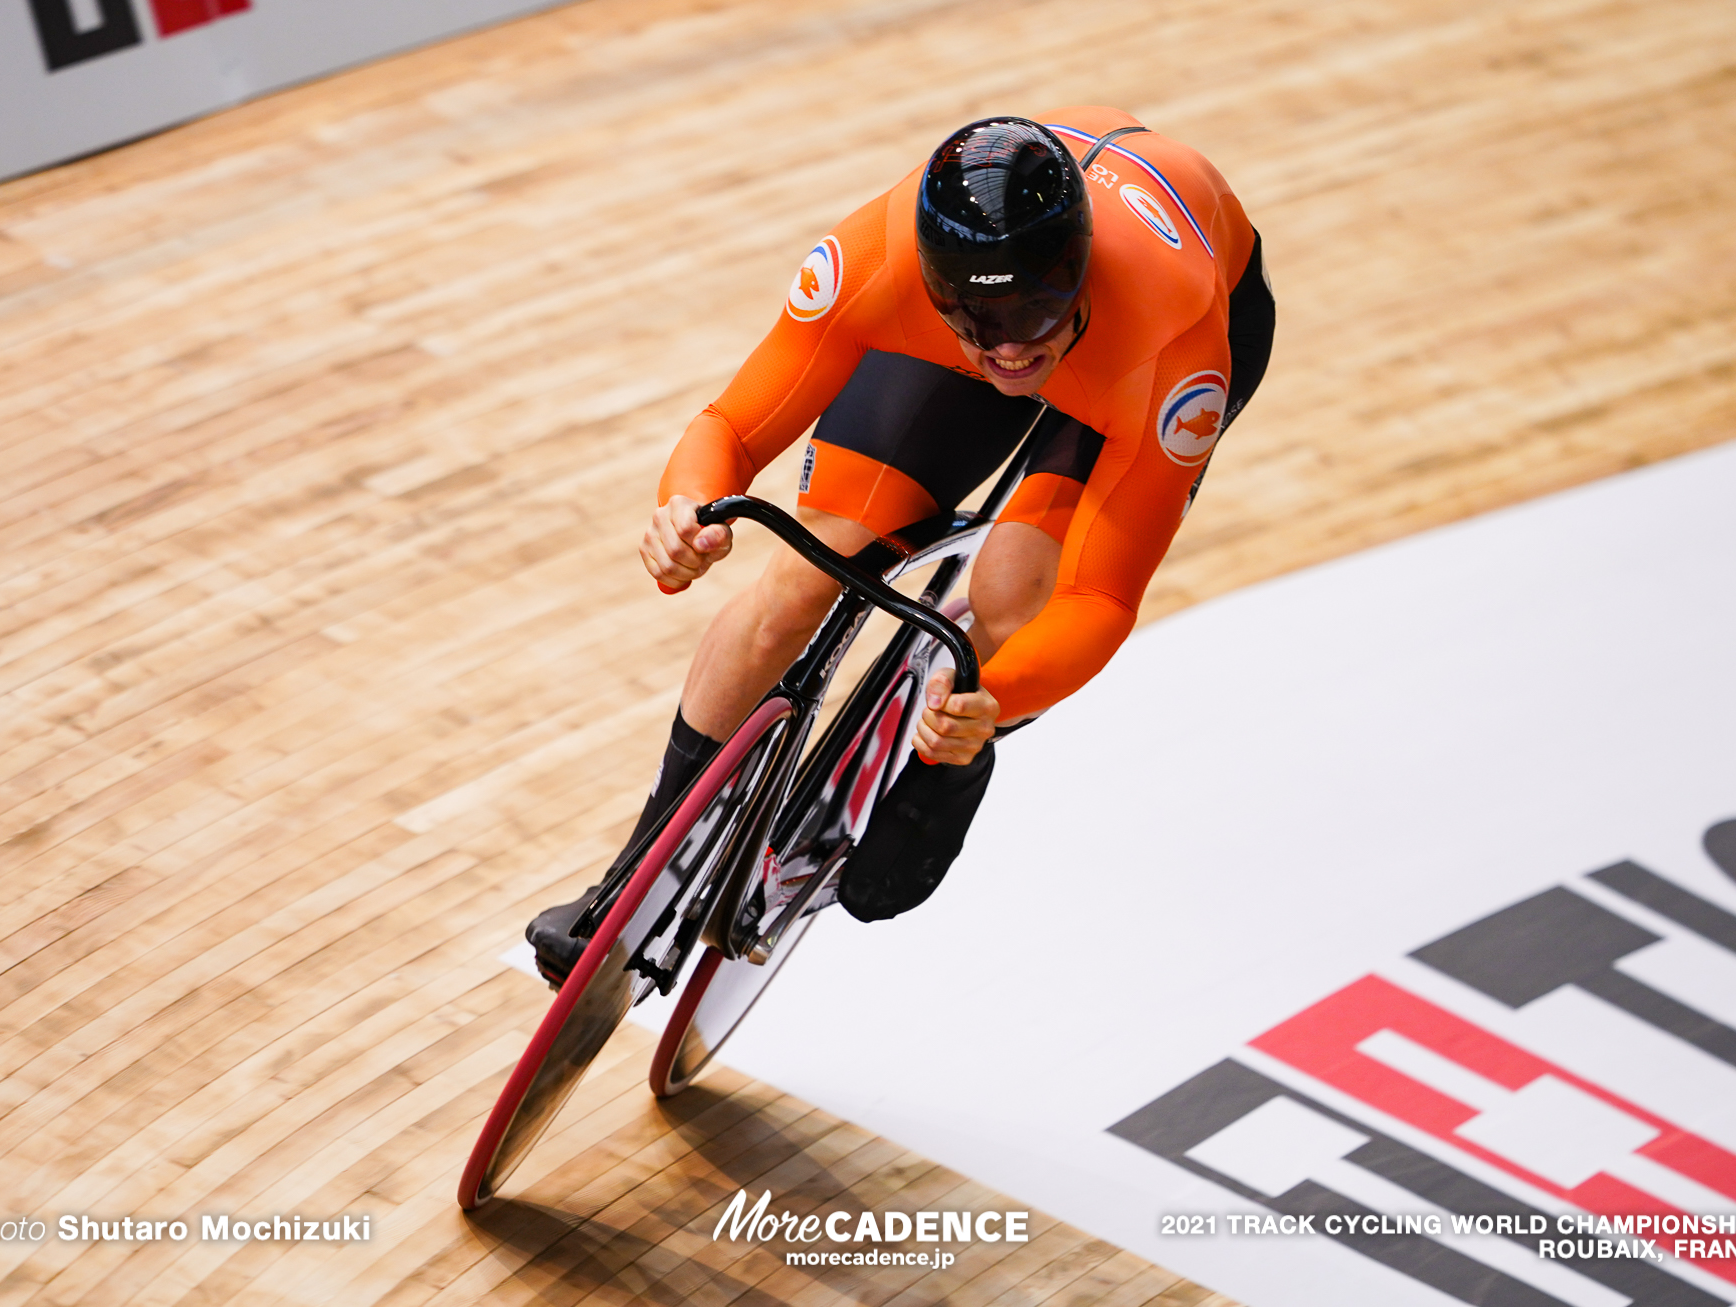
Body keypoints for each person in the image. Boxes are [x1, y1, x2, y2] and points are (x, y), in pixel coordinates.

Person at [528, 108, 1273, 984]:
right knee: (805, 573)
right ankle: (637, 871)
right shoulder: (874, 260)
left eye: (1032, 312)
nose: (1005, 350)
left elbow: (1100, 599)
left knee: (1015, 592)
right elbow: (731, 424)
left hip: (1139, 347)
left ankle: (944, 754)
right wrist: (684, 510)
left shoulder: (1175, 335)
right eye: (973, 317)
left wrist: (993, 699)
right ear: (930, 280)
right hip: (1025, 319)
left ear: (1074, 275)